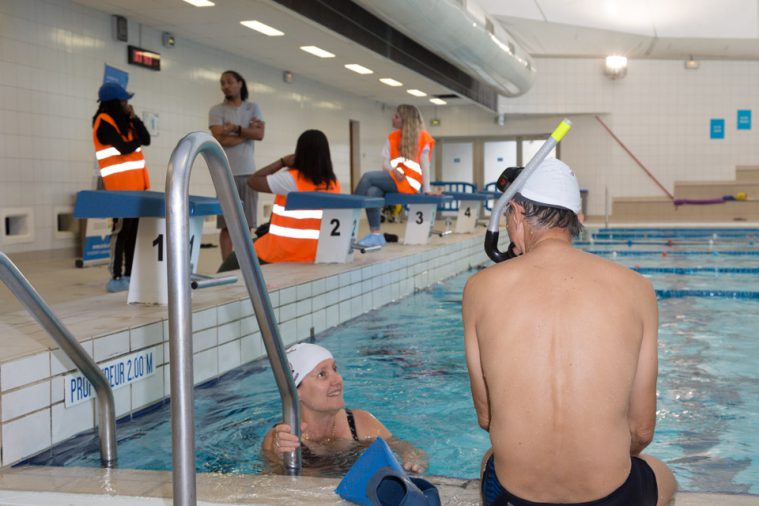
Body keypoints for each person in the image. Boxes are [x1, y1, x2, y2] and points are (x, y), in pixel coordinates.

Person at [463, 158, 676, 506]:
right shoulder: (637, 288)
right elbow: (642, 431)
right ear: (575, 220)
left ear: (516, 212)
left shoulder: (479, 288)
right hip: (611, 498)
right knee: (661, 473)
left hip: (516, 499)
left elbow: (487, 417)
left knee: (490, 460)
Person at [262, 343, 427, 475]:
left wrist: (412, 458)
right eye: (322, 374)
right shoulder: (281, 438)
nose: (337, 380)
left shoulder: (360, 422)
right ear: (295, 391)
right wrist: (281, 460)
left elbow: (404, 447)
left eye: (335, 369)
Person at [217, 129, 340, 271]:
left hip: (283, 250)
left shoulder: (291, 179)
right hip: (315, 252)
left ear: (300, 152)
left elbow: (253, 181)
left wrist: (282, 162)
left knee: (232, 262)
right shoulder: (333, 183)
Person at [92, 82, 151, 293]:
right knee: (121, 233)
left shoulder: (126, 122)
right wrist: (134, 137)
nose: (128, 105)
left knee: (133, 233)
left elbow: (146, 139)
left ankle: (129, 274)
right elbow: (124, 147)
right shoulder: (103, 122)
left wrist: (134, 119)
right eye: (124, 101)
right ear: (114, 103)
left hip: (136, 188)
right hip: (119, 189)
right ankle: (116, 276)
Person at [353, 104, 437, 249]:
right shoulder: (392, 137)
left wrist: (427, 188)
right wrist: (394, 170)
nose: (393, 118)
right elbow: (385, 162)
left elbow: (425, 165)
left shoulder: (423, 137)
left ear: (406, 120)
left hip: (410, 183)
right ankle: (376, 235)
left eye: (397, 116)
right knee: (372, 192)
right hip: (394, 179)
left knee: (367, 177)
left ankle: (350, 208)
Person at [209, 70, 265, 261]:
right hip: (226, 174)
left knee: (246, 224)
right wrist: (246, 133)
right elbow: (218, 139)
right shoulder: (216, 110)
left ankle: (245, 264)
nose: (226, 86)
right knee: (226, 225)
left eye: (230, 82)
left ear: (240, 84)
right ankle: (227, 264)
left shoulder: (253, 108)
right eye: (222, 83)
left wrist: (235, 130)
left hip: (248, 173)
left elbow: (260, 135)